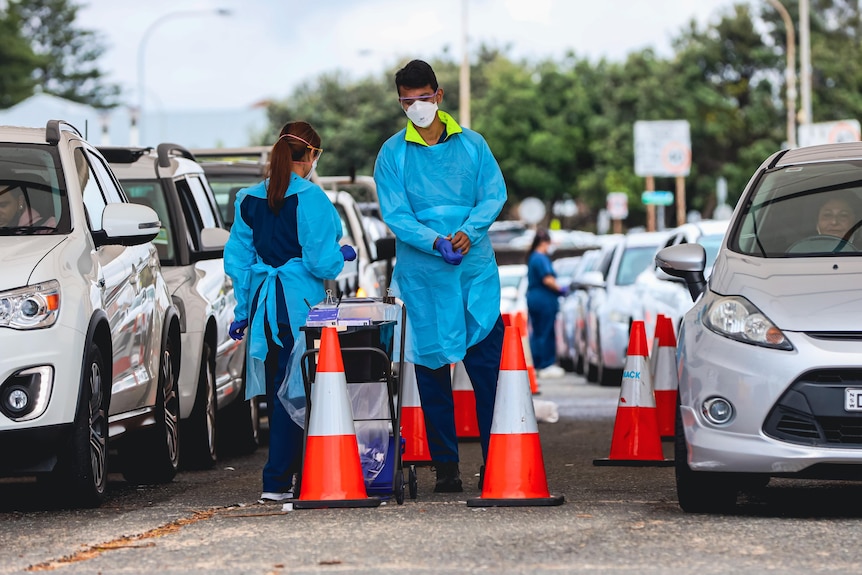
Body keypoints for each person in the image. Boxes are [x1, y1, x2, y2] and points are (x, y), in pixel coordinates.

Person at [373, 59, 507, 493]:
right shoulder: (392, 154)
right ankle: (446, 467)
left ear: (439, 95)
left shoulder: (473, 145)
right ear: (400, 102)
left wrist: (467, 234)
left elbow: (493, 194)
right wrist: (435, 241)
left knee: (488, 373)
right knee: (432, 375)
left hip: (473, 275)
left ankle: (499, 460)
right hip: (425, 276)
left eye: (423, 98)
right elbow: (396, 214)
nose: (417, 107)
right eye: (407, 101)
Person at [223, 120, 356, 502]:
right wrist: (341, 255)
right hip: (298, 309)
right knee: (297, 392)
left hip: (265, 306)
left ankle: (280, 479)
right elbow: (321, 262)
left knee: (276, 395)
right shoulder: (311, 198)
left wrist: (243, 311)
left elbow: (239, 261)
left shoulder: (248, 199)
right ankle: (281, 481)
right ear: (311, 155)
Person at [525, 229, 568, 379]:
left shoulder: (532, 258)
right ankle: (546, 364)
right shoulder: (541, 258)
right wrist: (561, 289)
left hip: (534, 298)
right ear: (544, 243)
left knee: (537, 332)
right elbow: (548, 279)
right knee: (546, 331)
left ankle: (538, 363)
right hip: (544, 300)